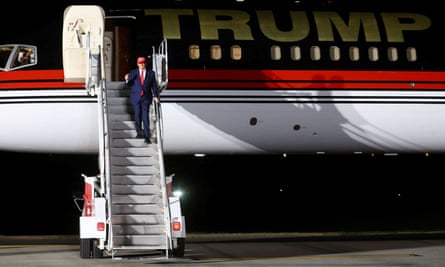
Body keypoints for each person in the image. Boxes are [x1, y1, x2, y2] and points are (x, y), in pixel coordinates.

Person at [124, 56, 160, 144]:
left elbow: (154, 86)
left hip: (146, 98)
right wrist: (127, 80)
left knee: (145, 117)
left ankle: (147, 136)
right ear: (137, 64)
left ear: (146, 63)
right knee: (137, 115)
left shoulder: (151, 73)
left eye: (143, 63)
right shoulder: (133, 72)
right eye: (140, 63)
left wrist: (156, 96)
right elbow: (129, 85)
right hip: (136, 97)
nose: (142, 65)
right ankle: (139, 132)